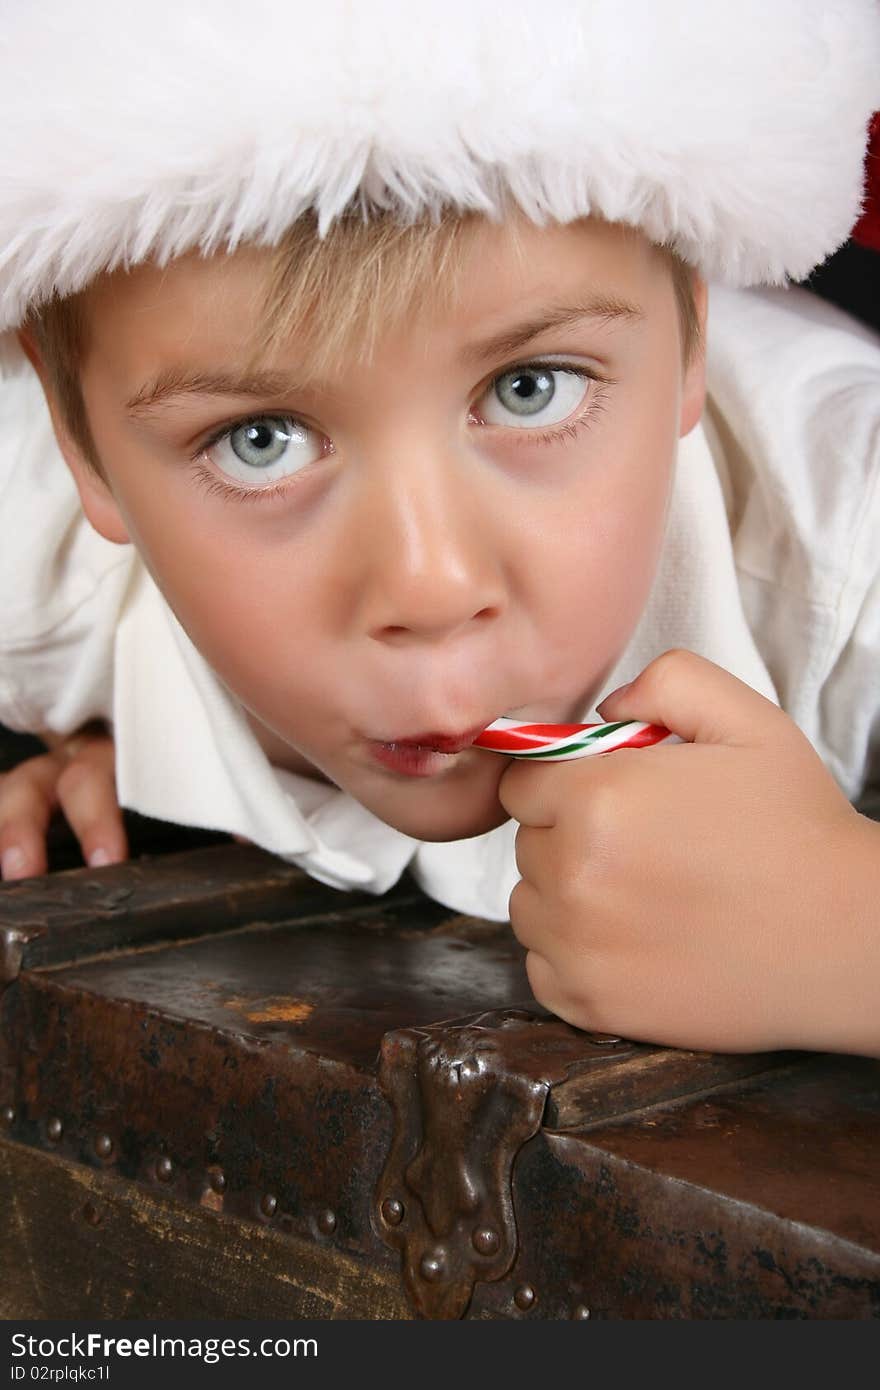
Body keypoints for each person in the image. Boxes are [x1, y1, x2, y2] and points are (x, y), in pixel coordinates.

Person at [0, 0, 879, 1057]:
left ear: (693, 336)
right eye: (261, 441)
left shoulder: (848, 539)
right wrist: (101, 737)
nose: (429, 585)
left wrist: (841, 931)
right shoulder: (30, 576)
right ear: (78, 441)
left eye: (528, 389)